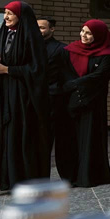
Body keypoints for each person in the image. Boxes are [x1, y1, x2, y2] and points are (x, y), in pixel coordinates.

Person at [0, 1, 50, 193]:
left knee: (16, 136)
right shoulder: (0, 35)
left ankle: (19, 180)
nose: (6, 17)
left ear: (21, 16)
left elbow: (38, 70)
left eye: (10, 13)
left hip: (20, 98)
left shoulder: (32, 38)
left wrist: (7, 69)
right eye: (5, 13)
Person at [56, 19, 110, 187]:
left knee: (90, 138)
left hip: (92, 101)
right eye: (83, 31)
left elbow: (100, 76)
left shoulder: (106, 54)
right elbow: (63, 72)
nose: (84, 35)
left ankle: (89, 176)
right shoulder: (69, 50)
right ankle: (71, 176)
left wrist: (75, 84)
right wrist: (72, 87)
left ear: (98, 35)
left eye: (89, 33)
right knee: (70, 139)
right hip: (70, 100)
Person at [38, 17, 68, 156]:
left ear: (52, 29)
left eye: (42, 28)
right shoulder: (28, 46)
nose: (38, 30)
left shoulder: (61, 48)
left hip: (51, 98)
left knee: (47, 137)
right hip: (30, 97)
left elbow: (65, 74)